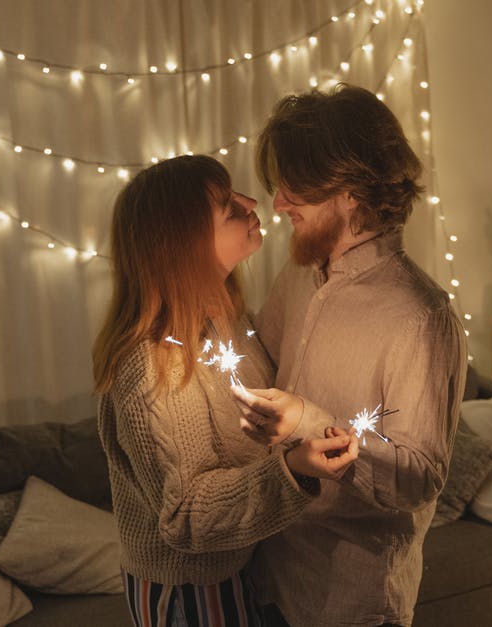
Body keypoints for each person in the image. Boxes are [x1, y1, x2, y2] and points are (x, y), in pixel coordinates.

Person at [233, 84, 469, 627]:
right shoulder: (297, 273)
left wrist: (308, 424)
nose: (278, 203)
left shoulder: (420, 317)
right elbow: (260, 362)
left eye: (293, 187)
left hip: (352, 604)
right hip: (272, 576)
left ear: (349, 191)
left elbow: (417, 478)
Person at [92, 155, 359, 627]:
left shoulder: (227, 320)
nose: (252, 203)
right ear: (184, 243)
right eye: (228, 206)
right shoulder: (154, 367)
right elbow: (186, 515)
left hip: (242, 567)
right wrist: (294, 470)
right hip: (190, 590)